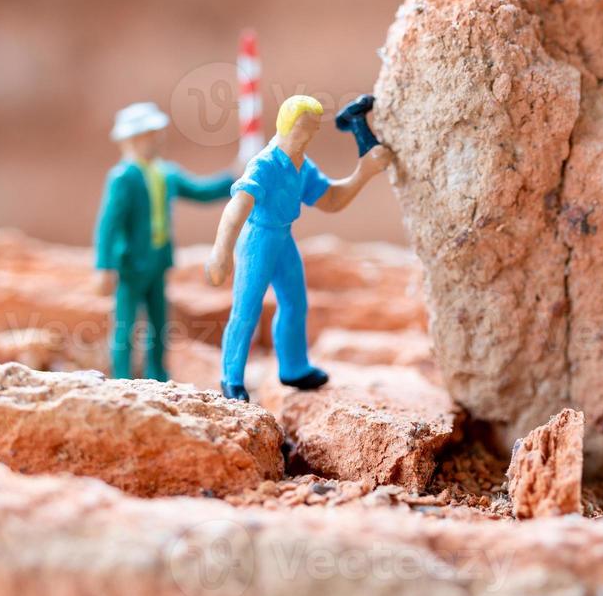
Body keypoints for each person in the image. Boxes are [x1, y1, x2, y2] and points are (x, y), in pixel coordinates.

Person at [207, 94, 392, 401]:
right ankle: (231, 378)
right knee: (246, 309)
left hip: (283, 239)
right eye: (305, 128)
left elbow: (331, 200)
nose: (309, 136)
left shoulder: (302, 166)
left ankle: (293, 367)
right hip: (258, 240)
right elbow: (237, 206)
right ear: (288, 125)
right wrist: (221, 250)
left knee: (295, 302)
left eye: (314, 129)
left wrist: (364, 172)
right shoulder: (265, 165)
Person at [94, 101, 233, 381]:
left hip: (158, 261)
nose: (156, 140)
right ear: (131, 139)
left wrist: (236, 177)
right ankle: (120, 375)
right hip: (131, 264)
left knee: (159, 322)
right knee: (125, 324)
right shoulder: (124, 178)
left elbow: (200, 191)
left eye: (156, 134)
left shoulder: (165, 173)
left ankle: (157, 374)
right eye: (148, 134)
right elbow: (108, 225)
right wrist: (104, 267)